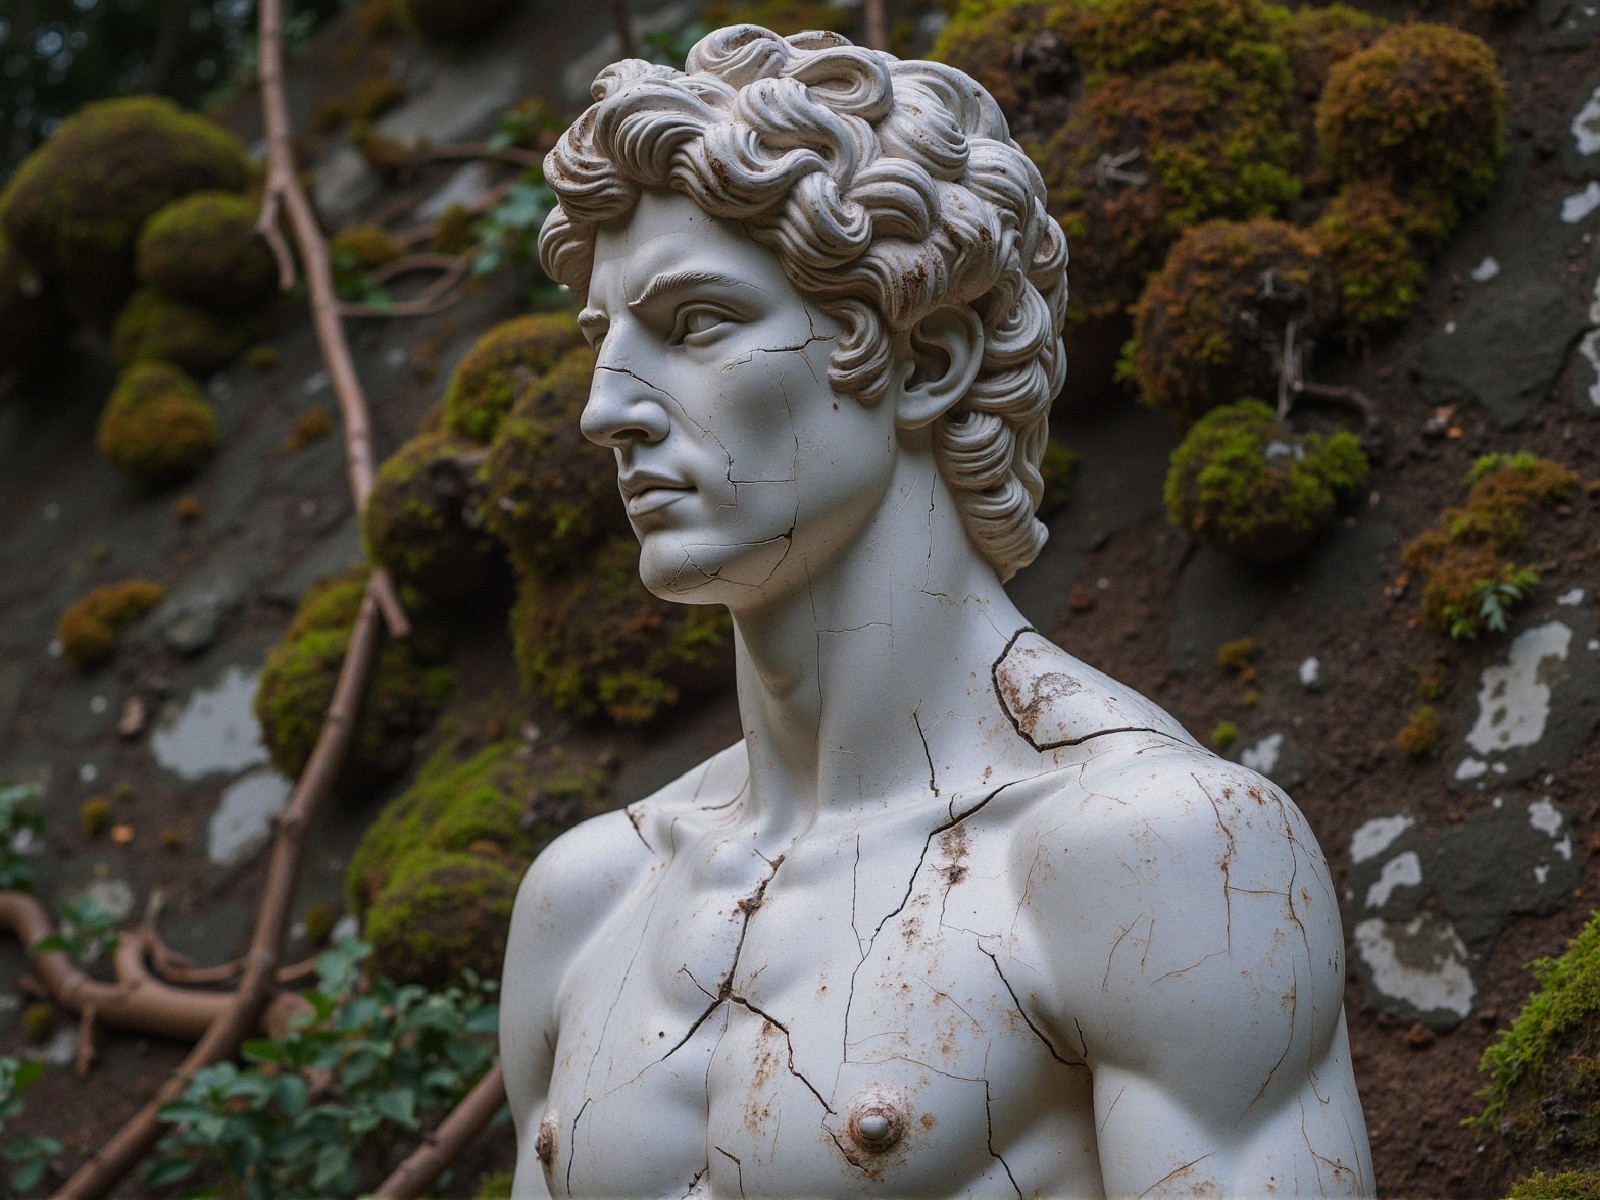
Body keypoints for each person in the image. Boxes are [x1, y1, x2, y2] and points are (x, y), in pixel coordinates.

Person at [500, 25, 1373, 1198]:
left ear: (930, 357)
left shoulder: (1160, 856)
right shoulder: (584, 900)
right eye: (605, 343)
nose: (607, 409)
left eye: (696, 324)